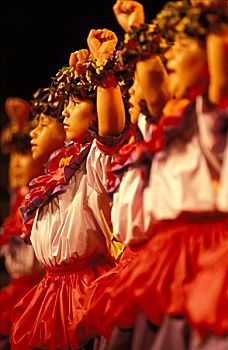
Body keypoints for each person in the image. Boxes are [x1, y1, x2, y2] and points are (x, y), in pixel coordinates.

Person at [93, 1, 228, 349]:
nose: (169, 60)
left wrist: (213, 17)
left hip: (206, 249)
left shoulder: (210, 111)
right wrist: (134, 30)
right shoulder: (167, 122)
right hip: (167, 253)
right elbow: (153, 87)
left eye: (181, 48)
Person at [10, 28, 131, 350]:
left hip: (86, 288)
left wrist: (103, 71)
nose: (64, 112)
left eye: (74, 103)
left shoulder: (95, 161)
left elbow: (111, 131)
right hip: (54, 287)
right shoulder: (61, 165)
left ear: (95, 113)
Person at [0, 97, 45, 349]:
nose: (16, 164)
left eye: (24, 154)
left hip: (38, 290)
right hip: (17, 291)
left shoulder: (45, 193)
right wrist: (16, 124)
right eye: (13, 157)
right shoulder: (18, 197)